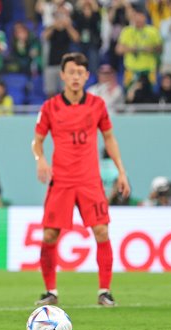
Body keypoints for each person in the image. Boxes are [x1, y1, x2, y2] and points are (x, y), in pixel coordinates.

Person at [32, 52, 130, 307]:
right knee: (50, 235)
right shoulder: (50, 107)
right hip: (61, 180)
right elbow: (37, 142)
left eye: (80, 73)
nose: (75, 77)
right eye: (71, 72)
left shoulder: (97, 105)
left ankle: (104, 291)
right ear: (63, 75)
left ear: (87, 76)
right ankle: (50, 291)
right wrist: (40, 159)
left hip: (89, 180)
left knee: (101, 230)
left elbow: (109, 138)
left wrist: (121, 170)